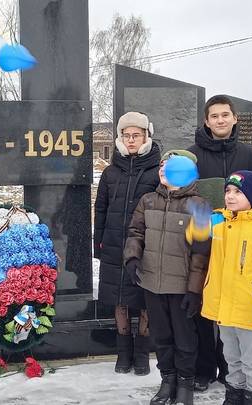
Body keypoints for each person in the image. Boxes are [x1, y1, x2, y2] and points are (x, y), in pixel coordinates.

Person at [186, 94, 252, 390]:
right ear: (206, 121)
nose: (220, 120)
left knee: (232, 308)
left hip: (240, 243)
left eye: (225, 115)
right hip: (206, 242)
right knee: (206, 309)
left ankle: (231, 369)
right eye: (214, 116)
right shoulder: (192, 155)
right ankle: (204, 368)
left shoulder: (249, 155)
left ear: (234, 118)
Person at [124, 150, 209, 405]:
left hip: (182, 286)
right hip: (152, 283)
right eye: (161, 166)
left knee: (184, 338)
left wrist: (194, 290)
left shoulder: (200, 205)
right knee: (160, 336)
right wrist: (132, 257)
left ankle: (185, 383)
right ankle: (167, 380)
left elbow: (202, 253)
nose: (162, 169)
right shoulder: (147, 200)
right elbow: (135, 231)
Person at [199, 170, 252, 405]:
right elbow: (195, 237)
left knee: (251, 359)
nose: (230, 196)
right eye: (227, 191)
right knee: (231, 356)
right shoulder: (219, 222)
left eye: (238, 191)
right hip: (223, 305)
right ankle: (235, 393)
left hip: (249, 307)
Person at [94, 111, 161, 376]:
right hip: (113, 243)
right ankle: (123, 353)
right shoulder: (111, 172)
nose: (131, 140)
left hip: (145, 245)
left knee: (143, 298)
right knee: (119, 297)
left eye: (136, 135)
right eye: (126, 135)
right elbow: (101, 208)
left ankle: (142, 353)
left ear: (146, 135)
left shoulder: (157, 171)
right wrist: (98, 242)